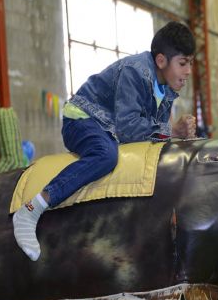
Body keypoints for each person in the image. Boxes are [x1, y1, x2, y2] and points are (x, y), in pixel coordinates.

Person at [13, 21, 196, 261]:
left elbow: (156, 134)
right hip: (82, 119)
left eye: (191, 64)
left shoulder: (168, 89)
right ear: (161, 61)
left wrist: (177, 136)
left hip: (109, 129)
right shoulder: (135, 71)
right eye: (183, 64)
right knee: (105, 155)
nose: (188, 71)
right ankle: (32, 208)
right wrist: (173, 130)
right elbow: (130, 128)